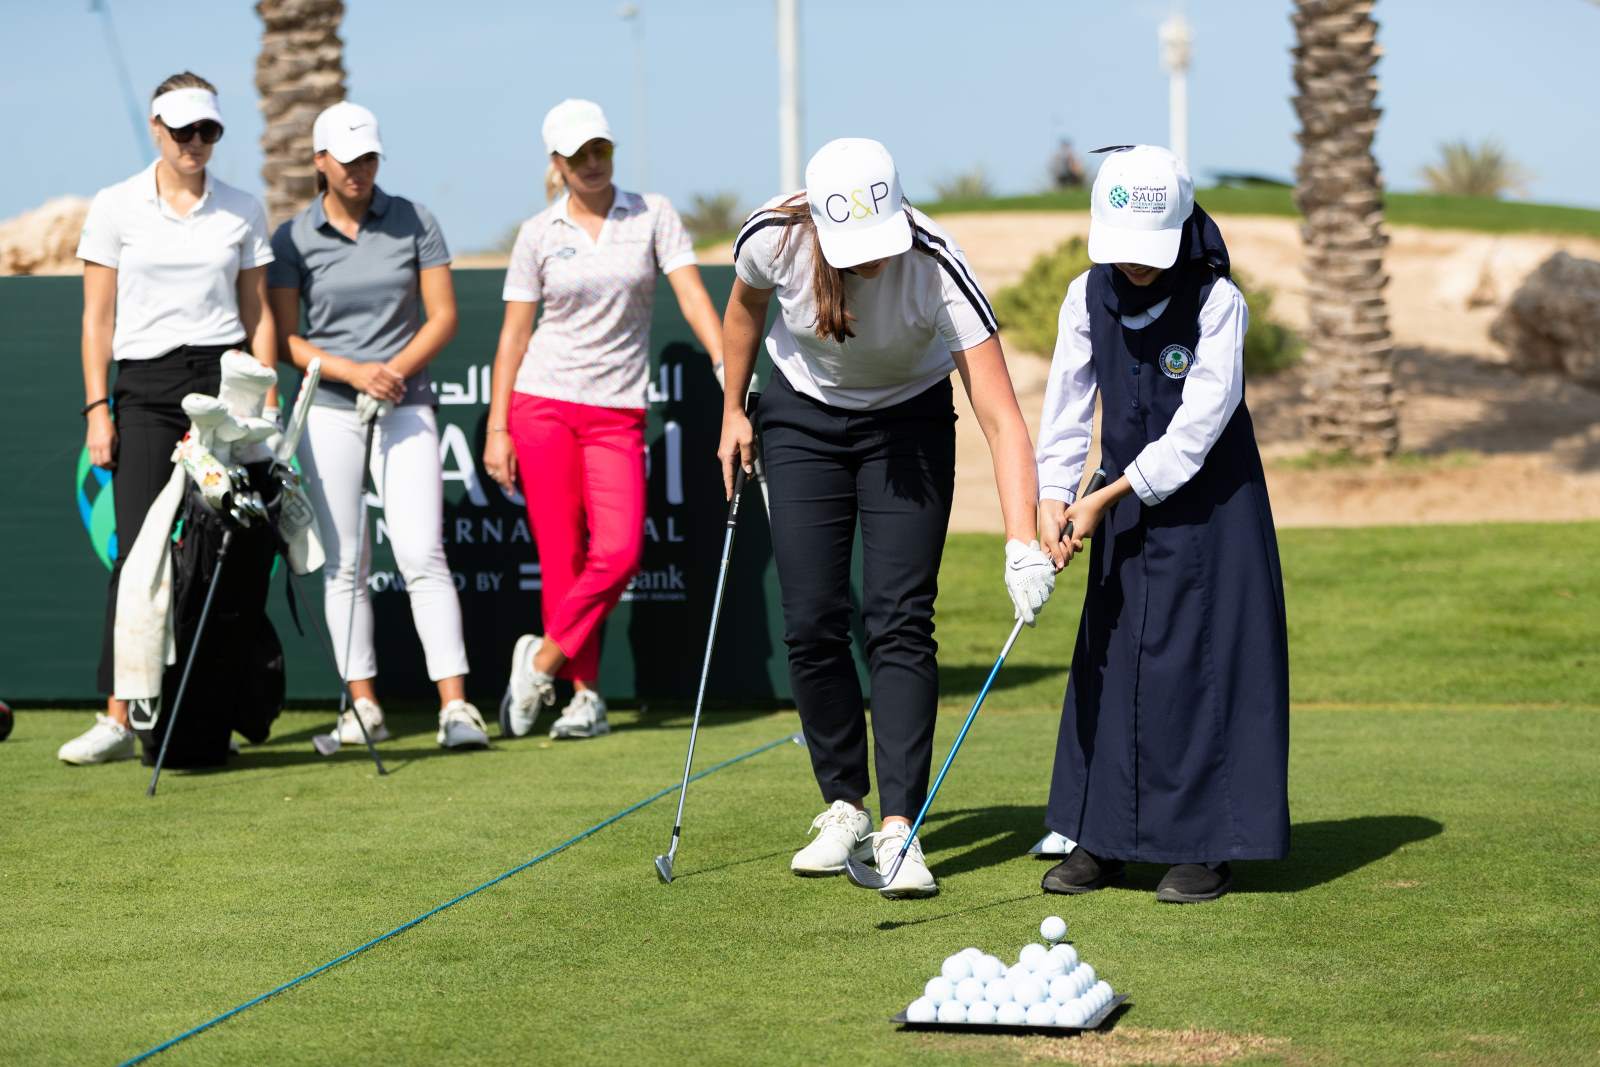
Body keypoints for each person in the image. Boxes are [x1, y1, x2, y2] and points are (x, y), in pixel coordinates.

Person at [719, 138, 1055, 898]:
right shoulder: (773, 236)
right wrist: (732, 409)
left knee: (898, 617)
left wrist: (1019, 541)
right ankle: (844, 804)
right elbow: (743, 311)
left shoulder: (935, 264)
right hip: (801, 417)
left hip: (908, 425)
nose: (870, 258)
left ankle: (901, 828)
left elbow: (1001, 415)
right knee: (811, 618)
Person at [1034, 145, 1290, 904]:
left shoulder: (1218, 301)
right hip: (1118, 506)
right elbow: (1067, 406)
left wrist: (1104, 497)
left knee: (1202, 669)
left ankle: (1206, 847)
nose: (1134, 263)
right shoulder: (1085, 295)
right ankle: (1102, 838)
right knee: (1115, 663)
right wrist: (1053, 496)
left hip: (1213, 511)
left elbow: (1198, 429)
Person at [485, 99, 725, 741]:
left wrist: (726, 364)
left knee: (618, 552)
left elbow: (692, 295)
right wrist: (498, 427)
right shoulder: (538, 232)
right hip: (542, 404)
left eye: (601, 150)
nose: (592, 163)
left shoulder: (653, 213)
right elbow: (513, 337)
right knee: (562, 558)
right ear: (557, 163)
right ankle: (584, 697)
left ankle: (540, 663)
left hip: (617, 411)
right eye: (578, 155)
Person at [62, 71, 277, 765]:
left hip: (223, 382)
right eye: (183, 130)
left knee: (226, 554)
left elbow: (257, 313)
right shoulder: (116, 205)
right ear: (157, 129)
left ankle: (215, 710)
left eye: (207, 130)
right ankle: (120, 717)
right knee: (139, 553)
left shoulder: (242, 207)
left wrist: (266, 402)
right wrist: (99, 408)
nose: (195, 142)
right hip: (147, 387)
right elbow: (97, 321)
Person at [268, 102, 488, 750]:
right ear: (320, 161)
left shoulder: (415, 218)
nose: (360, 169)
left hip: (405, 399)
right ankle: (363, 706)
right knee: (345, 562)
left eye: (368, 157)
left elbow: (442, 316)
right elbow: (285, 338)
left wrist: (390, 372)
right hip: (330, 407)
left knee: (421, 552)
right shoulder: (292, 238)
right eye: (347, 159)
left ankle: (456, 707)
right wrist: (353, 372)